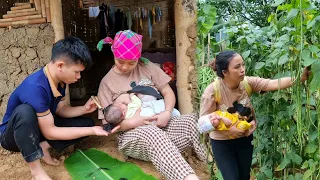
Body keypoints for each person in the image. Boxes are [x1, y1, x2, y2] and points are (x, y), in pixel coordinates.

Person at [0, 37, 118, 180]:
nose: (79, 76)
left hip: (39, 128)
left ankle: (42, 147)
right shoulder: (35, 87)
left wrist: (84, 109)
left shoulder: (59, 81)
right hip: (14, 137)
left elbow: (60, 110)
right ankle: (36, 171)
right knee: (25, 112)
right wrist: (93, 131)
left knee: (86, 123)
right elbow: (50, 132)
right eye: (76, 72)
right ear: (60, 65)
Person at [97, 30, 206, 180]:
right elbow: (108, 125)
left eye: (131, 63)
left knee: (194, 121)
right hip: (132, 136)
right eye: (120, 61)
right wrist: (137, 122)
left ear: (138, 57)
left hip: (163, 127)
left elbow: (167, 92)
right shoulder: (106, 83)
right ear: (114, 54)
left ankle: (213, 163)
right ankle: (188, 178)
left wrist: (167, 112)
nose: (124, 67)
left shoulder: (148, 67)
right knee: (152, 133)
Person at [200, 50, 311, 180]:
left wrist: (300, 78)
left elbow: (273, 83)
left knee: (244, 177)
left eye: (243, 65)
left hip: (244, 139)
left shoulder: (247, 83)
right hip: (222, 143)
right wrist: (230, 130)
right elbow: (203, 123)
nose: (242, 69)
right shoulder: (213, 91)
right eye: (237, 67)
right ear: (225, 72)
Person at [102, 91, 181, 126]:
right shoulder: (130, 108)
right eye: (120, 105)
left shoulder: (125, 118)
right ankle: (174, 114)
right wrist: (132, 96)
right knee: (161, 108)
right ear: (123, 113)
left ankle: (172, 115)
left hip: (149, 123)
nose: (120, 103)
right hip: (148, 112)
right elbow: (138, 103)